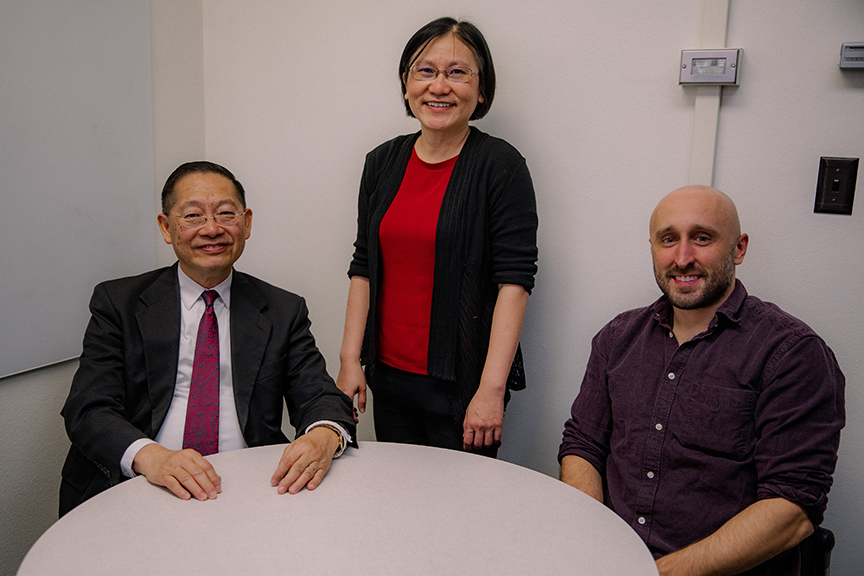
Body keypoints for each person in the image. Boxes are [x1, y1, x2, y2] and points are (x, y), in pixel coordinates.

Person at [558, 185, 845, 576]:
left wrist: (654, 573)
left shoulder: (792, 353)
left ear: (739, 249)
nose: (683, 258)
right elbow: (583, 445)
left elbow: (793, 507)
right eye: (669, 239)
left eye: (702, 238)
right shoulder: (617, 337)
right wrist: (592, 541)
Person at [61, 161, 355, 516]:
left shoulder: (282, 309)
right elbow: (88, 408)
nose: (212, 229)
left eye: (226, 213)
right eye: (193, 216)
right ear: (166, 227)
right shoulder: (118, 303)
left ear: (246, 224)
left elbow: (320, 397)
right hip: (140, 484)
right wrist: (151, 458)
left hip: (249, 486)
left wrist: (324, 436)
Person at [336, 17, 538, 456]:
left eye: (457, 72)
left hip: (464, 386)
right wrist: (350, 359)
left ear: (481, 90)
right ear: (406, 86)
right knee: (398, 505)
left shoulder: (500, 166)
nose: (439, 86)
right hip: (387, 379)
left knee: (459, 515)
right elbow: (363, 266)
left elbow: (515, 283)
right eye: (424, 71)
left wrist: (489, 391)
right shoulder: (381, 163)